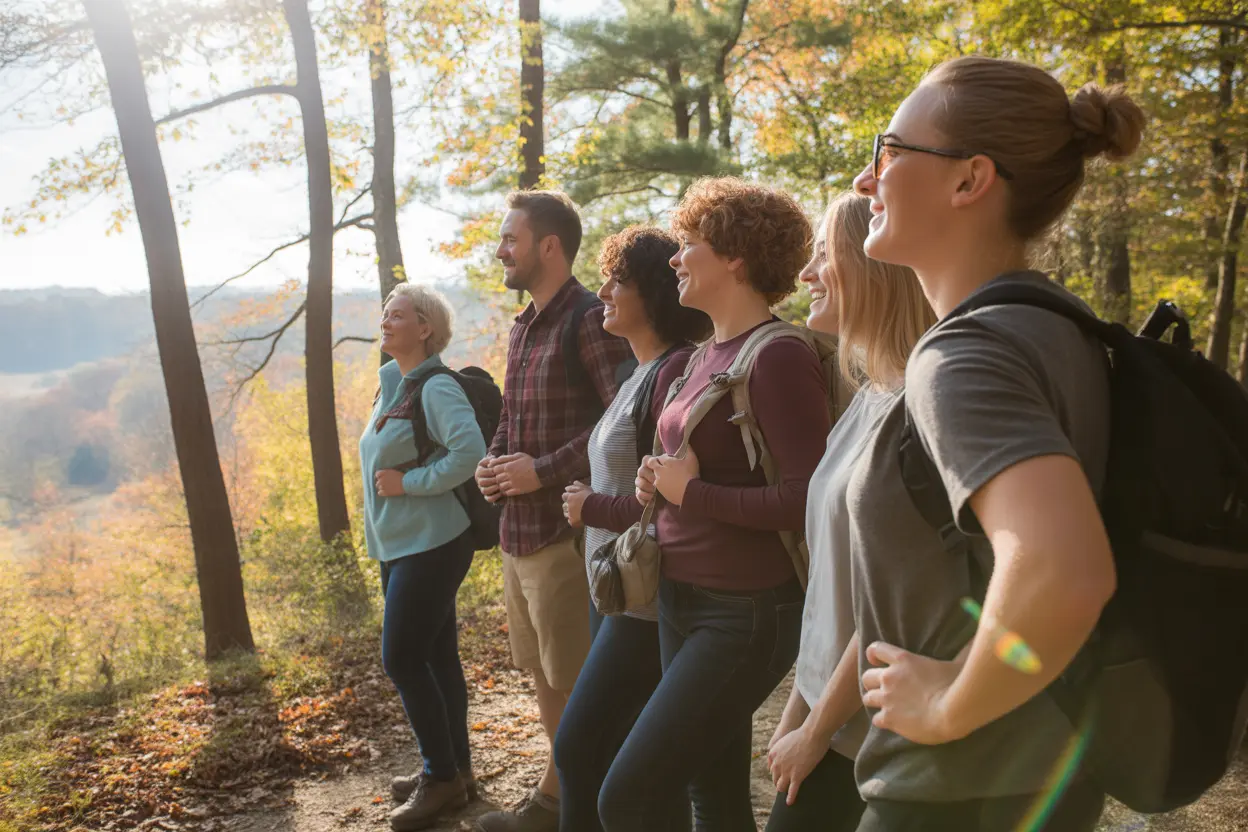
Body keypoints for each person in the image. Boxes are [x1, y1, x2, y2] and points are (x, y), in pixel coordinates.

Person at [845, 56, 1145, 831]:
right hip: (1040, 774)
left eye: (888, 150)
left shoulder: (964, 355)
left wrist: (948, 706)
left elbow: (1064, 567)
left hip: (953, 790)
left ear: (969, 180)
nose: (863, 180)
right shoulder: (1063, 333)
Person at [598, 177, 831, 832]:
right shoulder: (700, 357)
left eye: (689, 244)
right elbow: (695, 471)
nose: (675, 258)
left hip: (745, 613)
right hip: (681, 599)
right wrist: (658, 483)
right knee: (715, 796)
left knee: (629, 797)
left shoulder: (779, 356)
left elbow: (805, 498)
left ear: (735, 256)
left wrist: (689, 493)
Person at [763, 193, 934, 832]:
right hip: (831, 722)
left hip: (879, 736)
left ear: (874, 268)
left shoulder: (919, 408)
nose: (806, 276)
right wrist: (797, 718)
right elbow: (831, 594)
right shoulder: (866, 401)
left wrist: (816, 731)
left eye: (824, 256)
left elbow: (889, 601)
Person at [473, 190, 633, 832]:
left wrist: (539, 471)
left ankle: (572, 804)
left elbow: (618, 419)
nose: (500, 250)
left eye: (510, 239)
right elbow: (511, 417)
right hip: (517, 533)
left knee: (573, 675)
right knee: (541, 671)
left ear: (549, 246)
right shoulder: (522, 326)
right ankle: (560, 793)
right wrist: (491, 463)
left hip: (566, 533)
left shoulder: (591, 318)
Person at [554, 225, 712, 832]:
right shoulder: (633, 375)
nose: (604, 290)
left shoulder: (673, 373)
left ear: (652, 291)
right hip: (613, 589)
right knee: (636, 765)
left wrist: (590, 507)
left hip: (647, 603)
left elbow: (666, 502)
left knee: (577, 748)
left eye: (619, 280)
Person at [360, 283, 488, 832]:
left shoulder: (434, 385)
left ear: (426, 328)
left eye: (399, 315)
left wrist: (409, 483)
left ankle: (439, 779)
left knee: (402, 658)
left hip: (433, 541)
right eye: (385, 314)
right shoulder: (391, 384)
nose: (386, 322)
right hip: (401, 543)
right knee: (436, 658)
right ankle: (455, 771)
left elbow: (471, 451)